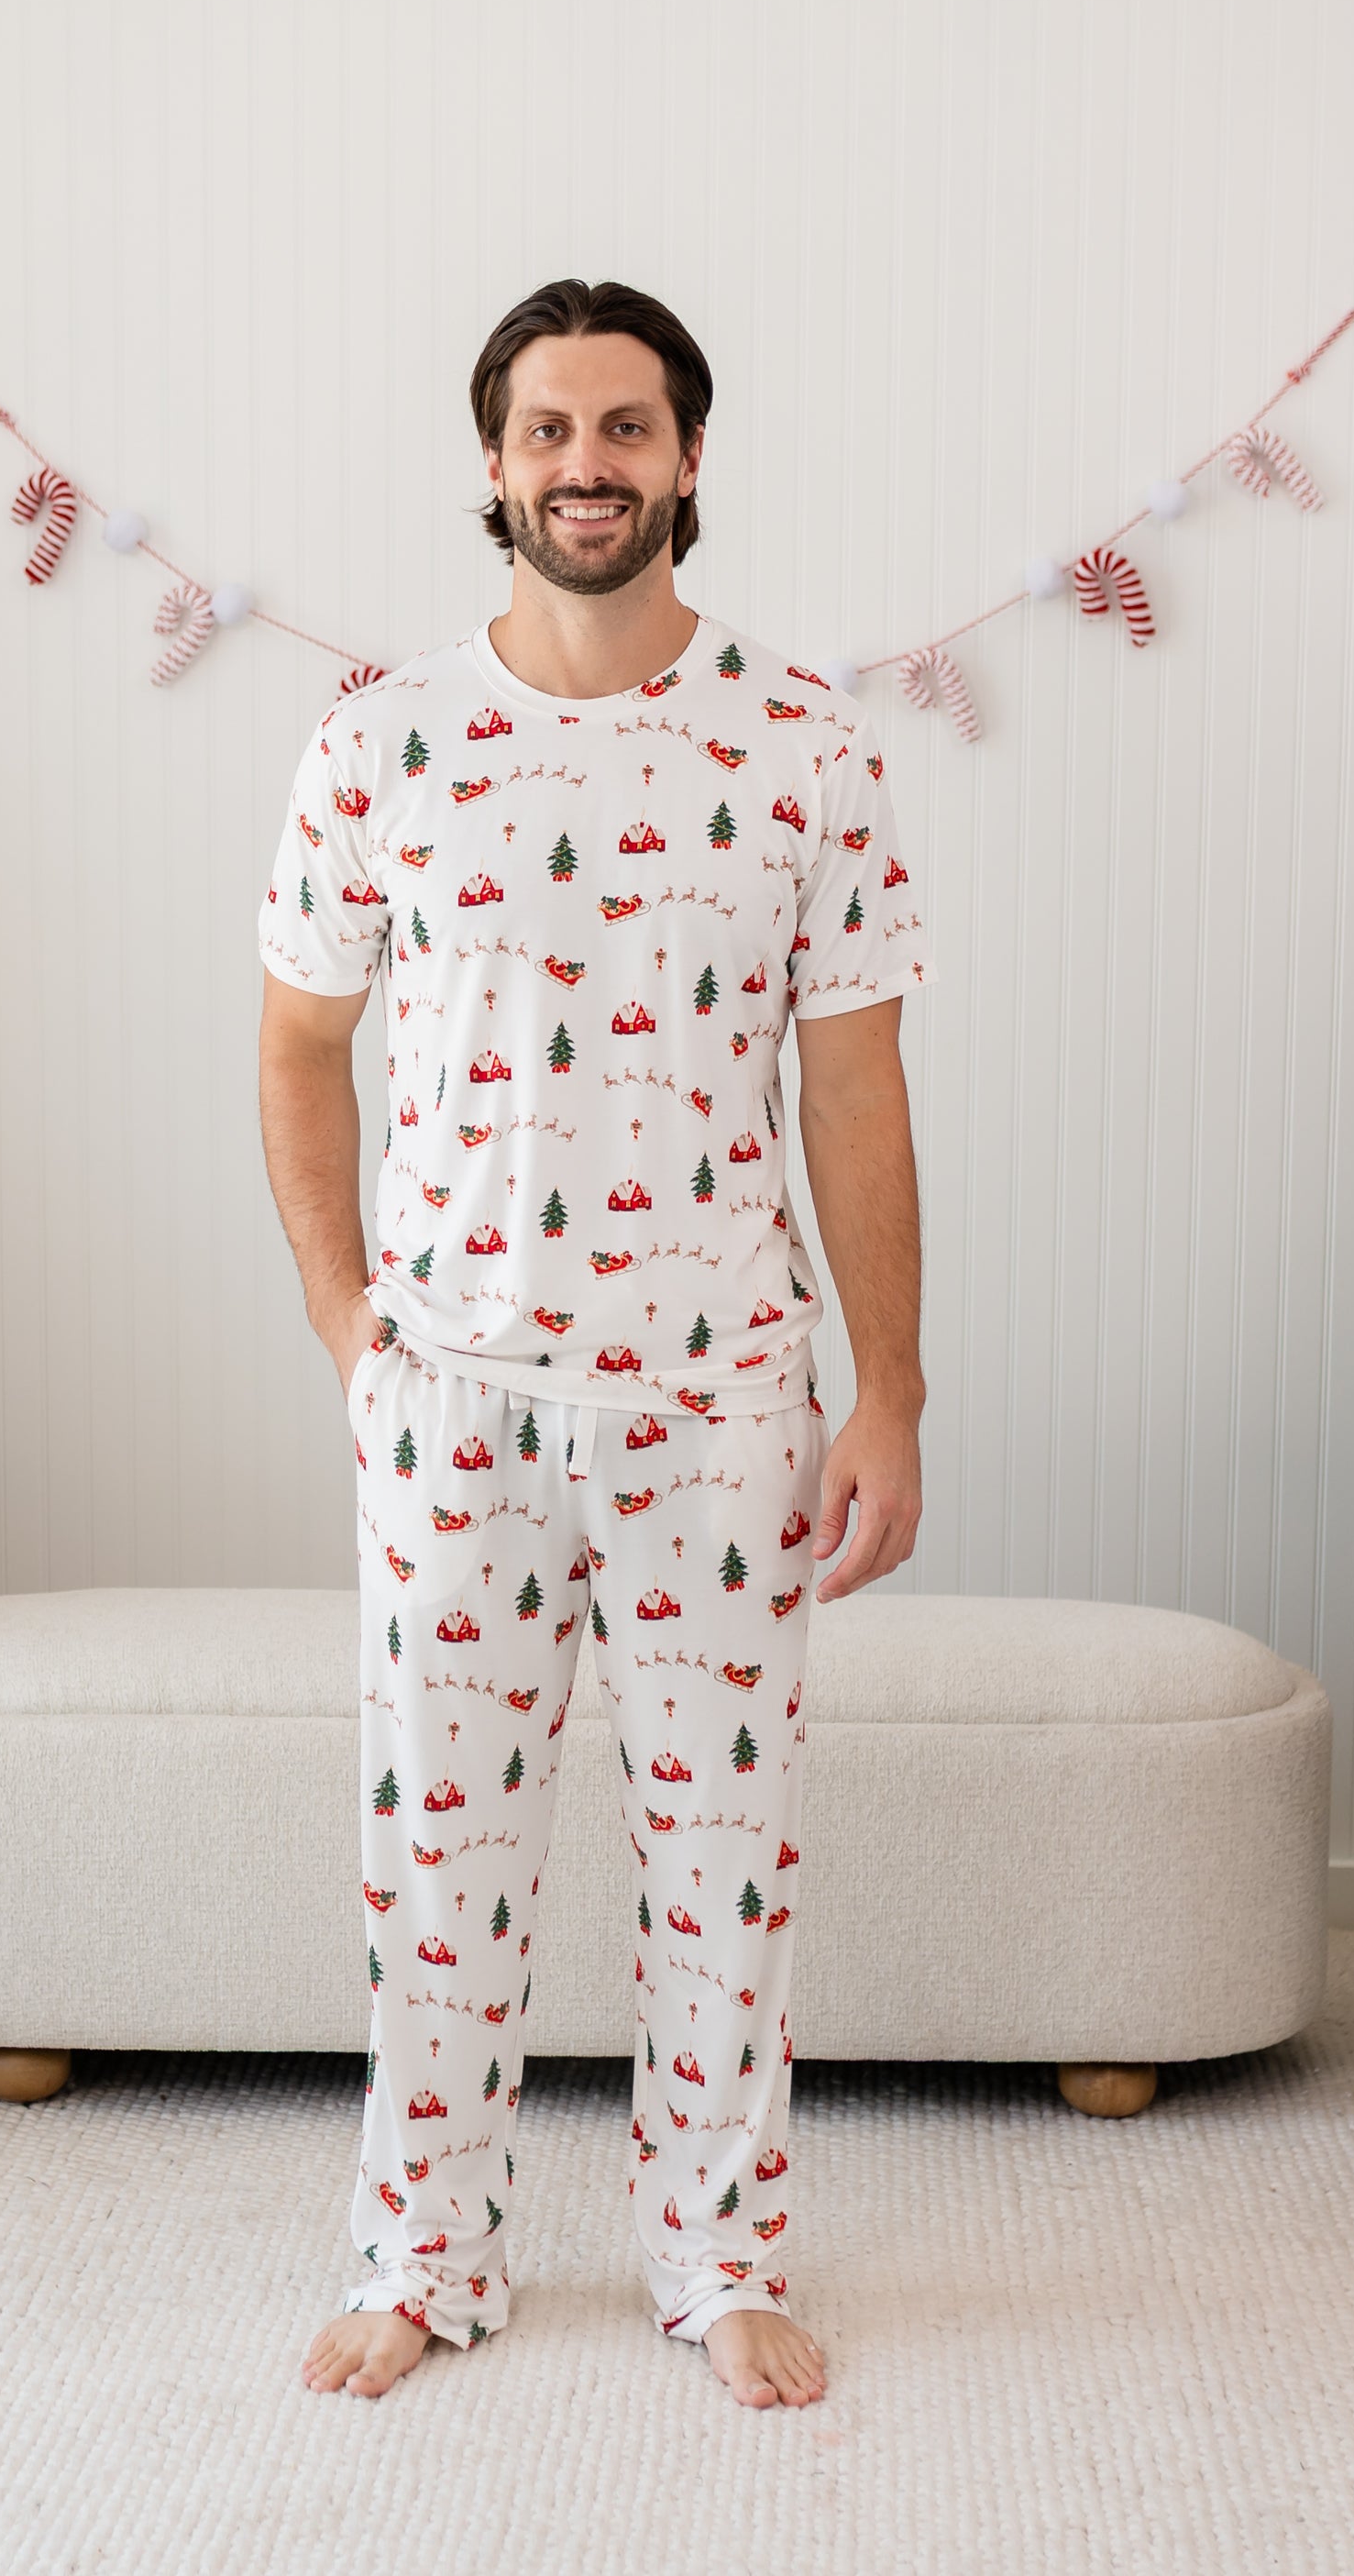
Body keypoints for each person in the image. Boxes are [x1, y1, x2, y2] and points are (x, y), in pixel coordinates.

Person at [258, 279, 926, 2407]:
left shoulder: (806, 743)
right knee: (433, 1853)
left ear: (690, 458)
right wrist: (350, 1320)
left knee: (723, 1859)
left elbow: (856, 1094)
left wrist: (886, 1391)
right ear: (492, 463)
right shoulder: (379, 739)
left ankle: (720, 2261)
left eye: (624, 428)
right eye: (547, 430)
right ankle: (420, 2252)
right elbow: (297, 1048)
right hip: (452, 1395)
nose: (585, 465)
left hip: (725, 1399)